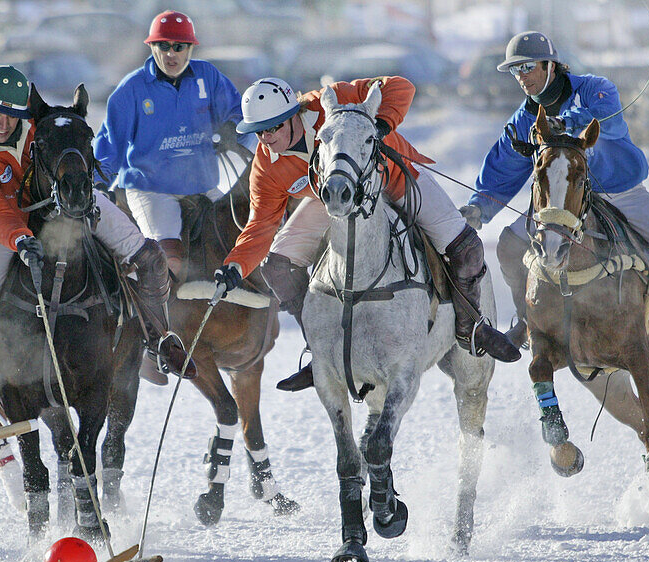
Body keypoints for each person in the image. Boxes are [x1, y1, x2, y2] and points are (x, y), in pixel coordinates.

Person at [213, 76, 520, 392]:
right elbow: (261, 224)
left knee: (466, 247)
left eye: (273, 127)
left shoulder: (333, 99)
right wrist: (235, 265)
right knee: (277, 265)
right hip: (332, 198)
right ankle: (321, 349)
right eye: (258, 132)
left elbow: (401, 87)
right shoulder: (266, 163)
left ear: (293, 114)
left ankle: (472, 329)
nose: (266, 138)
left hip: (393, 179)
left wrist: (383, 124)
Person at [461, 31, 649, 346]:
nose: (522, 77)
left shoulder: (595, 90)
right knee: (508, 244)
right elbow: (502, 167)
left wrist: (569, 121)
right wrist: (479, 207)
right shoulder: (524, 120)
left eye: (528, 66)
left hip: (619, 191)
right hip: (563, 205)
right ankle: (528, 318)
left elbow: (608, 120)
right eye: (515, 70)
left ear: (550, 65)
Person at [0, 64, 195, 377]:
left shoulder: (37, 126)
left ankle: (159, 339)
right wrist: (19, 238)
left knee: (149, 255)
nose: (4, 124)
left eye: (12, 115)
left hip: (73, 202)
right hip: (12, 219)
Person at [93, 10, 249, 383]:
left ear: (190, 48)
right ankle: (152, 343)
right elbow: (109, 145)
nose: (172, 53)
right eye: (164, 46)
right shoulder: (131, 89)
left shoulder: (209, 77)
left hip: (202, 184)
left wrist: (231, 130)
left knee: (235, 239)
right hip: (150, 187)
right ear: (153, 48)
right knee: (170, 260)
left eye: (179, 46)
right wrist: (100, 185)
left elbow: (240, 115)